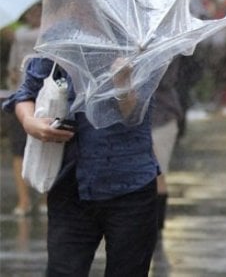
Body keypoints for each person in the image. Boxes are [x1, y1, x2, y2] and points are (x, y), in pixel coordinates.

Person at [2, 56, 160, 276]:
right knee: (62, 271)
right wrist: (31, 123)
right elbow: (25, 93)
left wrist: (123, 84)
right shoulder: (61, 41)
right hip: (70, 183)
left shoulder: (138, 45)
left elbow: (133, 116)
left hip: (130, 186)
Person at [5, 2, 44, 216]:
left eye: (37, 10)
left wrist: (14, 35)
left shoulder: (48, 33)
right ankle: (24, 200)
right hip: (21, 99)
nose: (33, 15)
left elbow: (32, 38)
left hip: (45, 100)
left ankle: (47, 198)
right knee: (19, 151)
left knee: (48, 150)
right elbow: (13, 67)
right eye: (29, 11)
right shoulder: (19, 37)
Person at [151, 58, 184, 232]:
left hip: (162, 119)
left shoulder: (165, 48)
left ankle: (157, 228)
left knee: (157, 173)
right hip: (143, 120)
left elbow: (165, 80)